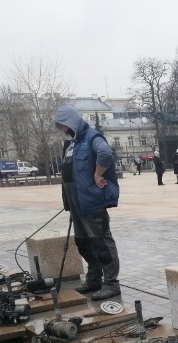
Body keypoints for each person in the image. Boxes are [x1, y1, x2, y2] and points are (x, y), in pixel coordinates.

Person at [54, 105, 122, 301]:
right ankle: (94, 278)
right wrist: (68, 201)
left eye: (64, 126)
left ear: (72, 122)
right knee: (83, 242)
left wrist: (97, 173)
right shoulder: (69, 144)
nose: (62, 130)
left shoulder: (92, 138)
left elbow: (106, 154)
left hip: (91, 201)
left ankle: (111, 283)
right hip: (76, 204)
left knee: (100, 241)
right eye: (60, 127)